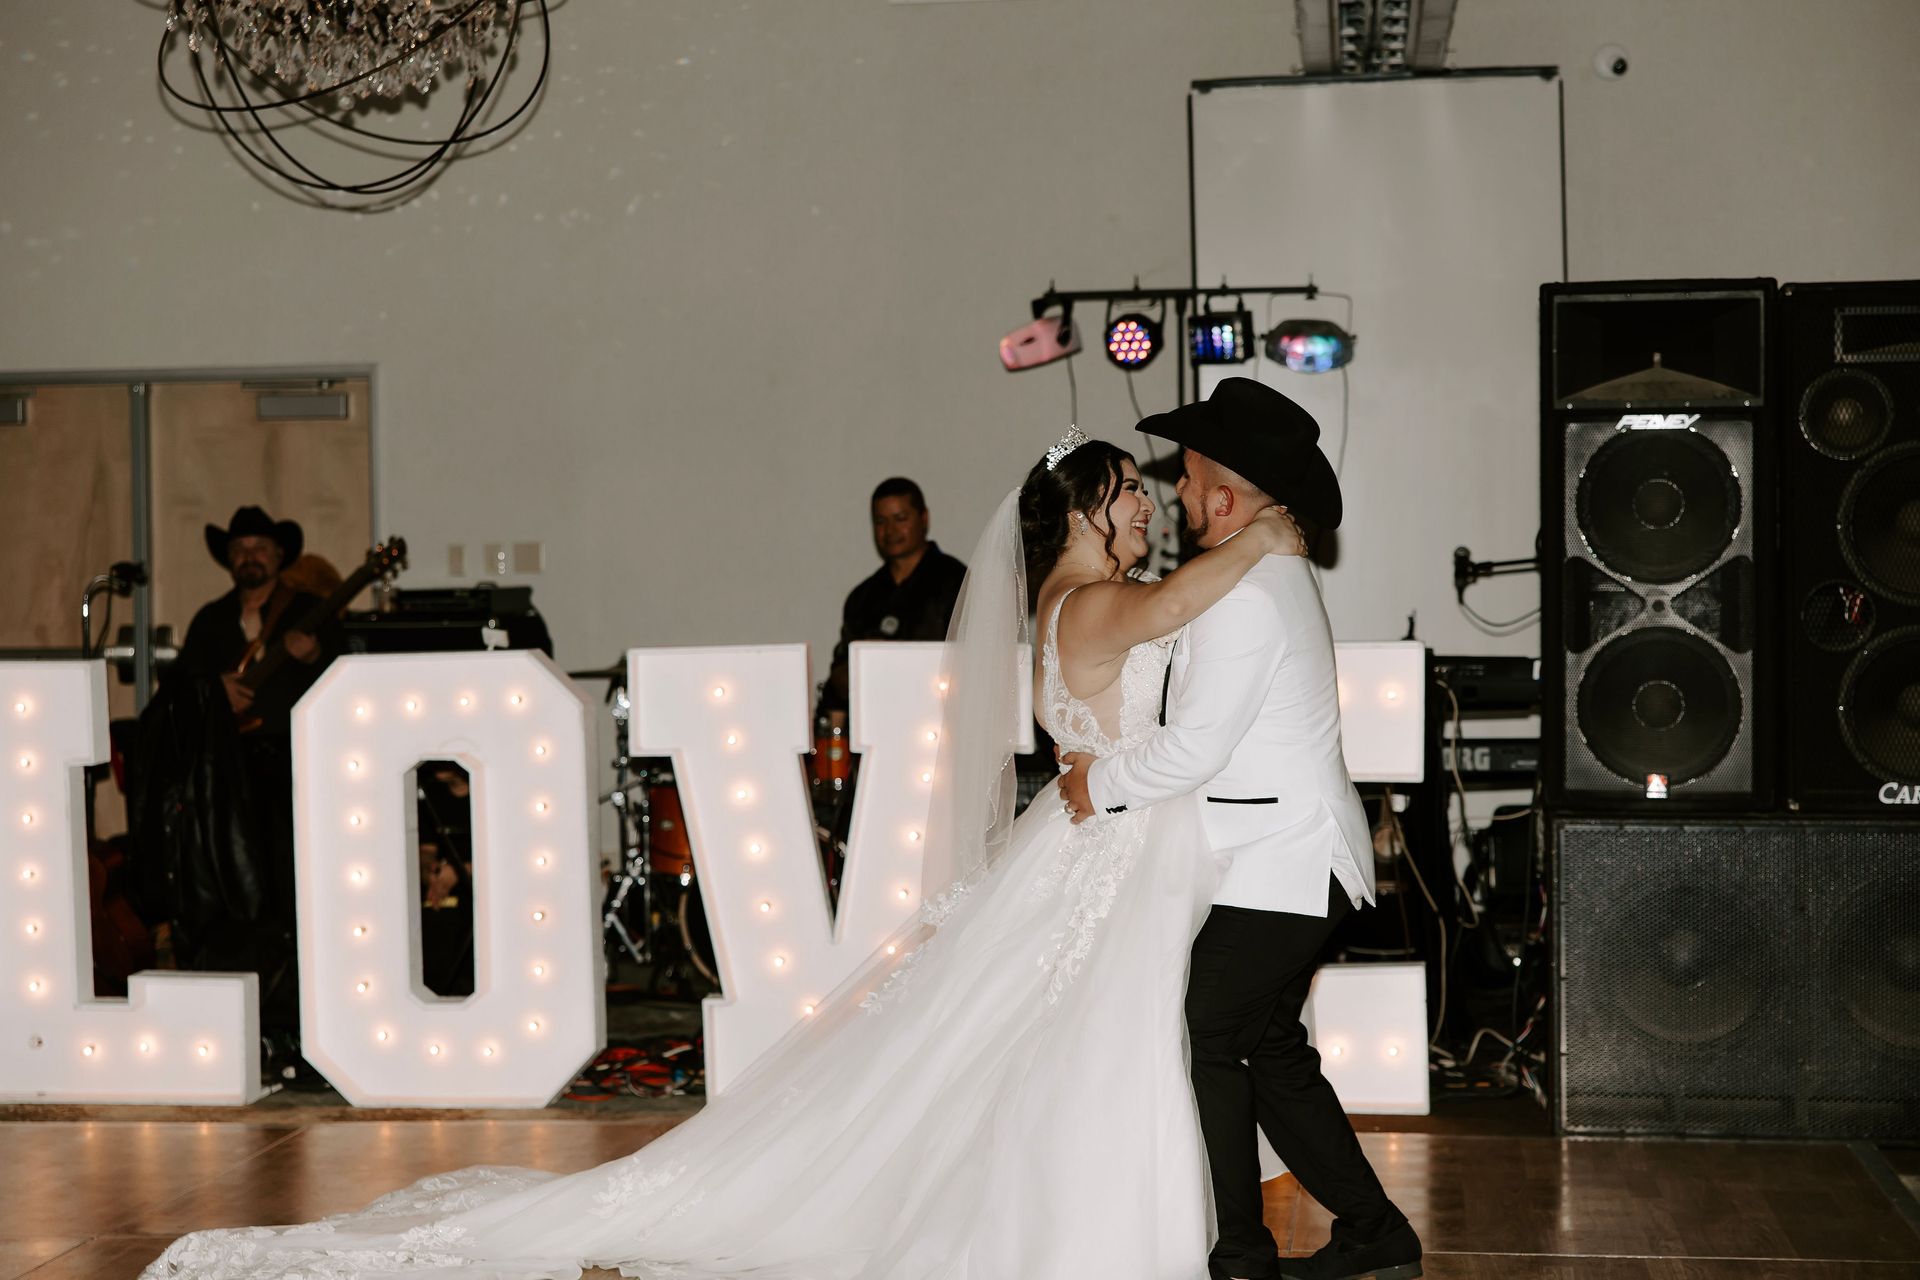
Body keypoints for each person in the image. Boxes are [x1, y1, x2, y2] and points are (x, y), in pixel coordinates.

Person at [140, 432, 1309, 1279]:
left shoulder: (1078, 591)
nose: (1149, 509)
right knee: (1086, 1037)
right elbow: (1174, 612)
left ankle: (1101, 1214)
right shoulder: (1093, 604)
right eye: (1128, 497)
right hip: (1105, 844)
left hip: (1106, 842)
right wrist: (1265, 531)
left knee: (1059, 1042)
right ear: (1085, 514)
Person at [1058, 378, 1421, 1280]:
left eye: (1185, 478)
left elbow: (1194, 751)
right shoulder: (1256, 575)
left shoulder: (1247, 594)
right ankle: (1374, 1237)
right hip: (1289, 861)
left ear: (1223, 496)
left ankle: (1241, 1254)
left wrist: (1093, 785)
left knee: (1205, 1034)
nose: (1176, 495)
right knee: (1268, 1048)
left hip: (1283, 864)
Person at [133, 505, 339, 1081]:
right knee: (236, 902)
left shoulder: (306, 614)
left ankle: (298, 1024)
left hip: (295, 774)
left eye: (261, 547)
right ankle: (244, 1026)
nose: (250, 555)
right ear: (229, 559)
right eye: (240, 547)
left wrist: (316, 657)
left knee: (293, 896)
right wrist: (212, 688)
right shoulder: (211, 621)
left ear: (280, 556)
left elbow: (351, 678)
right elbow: (172, 700)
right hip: (226, 787)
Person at [815, 477, 968, 722]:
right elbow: (838, 681)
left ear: (924, 518)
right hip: (874, 727)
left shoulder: (956, 581)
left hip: (939, 724)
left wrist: (894, 658)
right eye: (880, 521)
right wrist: (864, 661)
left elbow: (971, 666)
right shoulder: (863, 596)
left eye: (900, 519)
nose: (890, 531)